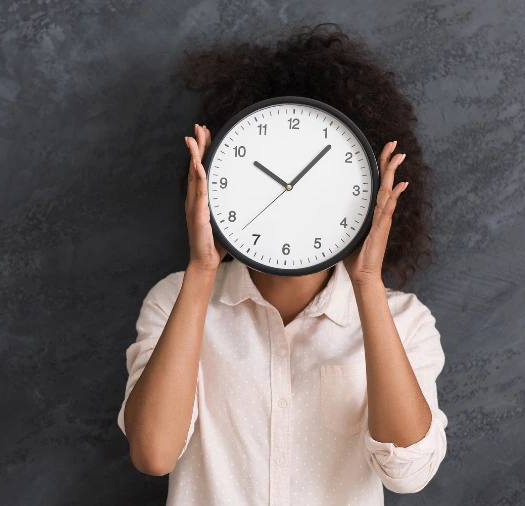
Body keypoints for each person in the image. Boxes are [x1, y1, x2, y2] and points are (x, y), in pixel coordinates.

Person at [118, 22, 447, 505]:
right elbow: (153, 454)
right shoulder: (174, 300)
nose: (290, 196)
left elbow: (409, 474)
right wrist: (201, 270)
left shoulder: (405, 321)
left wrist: (367, 284)